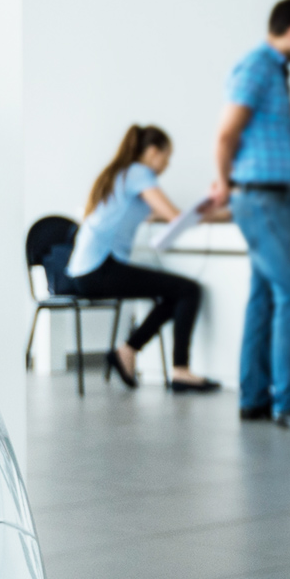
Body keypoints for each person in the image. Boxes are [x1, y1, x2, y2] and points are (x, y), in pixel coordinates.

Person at [210, 0, 290, 432]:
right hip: (260, 199)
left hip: (275, 198)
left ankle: (255, 398)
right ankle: (289, 403)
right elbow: (227, 133)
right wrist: (223, 181)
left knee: (263, 298)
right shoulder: (258, 66)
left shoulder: (273, 70)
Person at [68, 124, 227, 392]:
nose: (167, 164)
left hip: (85, 271)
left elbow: (160, 215)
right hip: (100, 268)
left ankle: (128, 350)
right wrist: (223, 213)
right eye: (167, 156)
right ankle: (180, 371)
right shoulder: (139, 173)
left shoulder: (122, 174)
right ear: (153, 152)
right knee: (188, 290)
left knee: (176, 293)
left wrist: (211, 209)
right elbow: (175, 216)